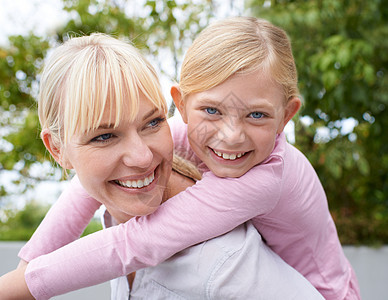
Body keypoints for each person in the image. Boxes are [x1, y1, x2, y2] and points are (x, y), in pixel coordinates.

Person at [3, 17, 360, 299]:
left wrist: (21, 287)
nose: (231, 135)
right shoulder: (163, 134)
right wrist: (27, 264)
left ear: (287, 115)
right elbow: (83, 186)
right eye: (211, 110)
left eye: (257, 115)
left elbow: (138, 243)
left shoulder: (268, 178)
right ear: (182, 104)